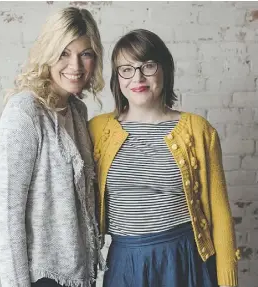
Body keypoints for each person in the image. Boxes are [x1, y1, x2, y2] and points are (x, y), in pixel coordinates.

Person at [88, 29, 240, 287]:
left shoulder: (197, 130)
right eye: (126, 68)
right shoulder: (96, 130)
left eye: (147, 66)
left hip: (184, 259)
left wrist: (228, 281)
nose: (137, 77)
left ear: (164, 69)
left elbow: (221, 213)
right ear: (117, 77)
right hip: (125, 261)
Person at [0, 7, 105, 287]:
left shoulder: (77, 111)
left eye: (85, 54)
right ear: (47, 53)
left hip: (80, 276)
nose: (75, 66)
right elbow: (8, 217)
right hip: (42, 278)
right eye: (64, 53)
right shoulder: (25, 113)